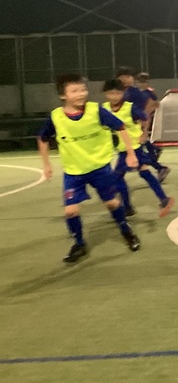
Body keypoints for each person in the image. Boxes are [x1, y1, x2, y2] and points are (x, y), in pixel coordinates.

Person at [37, 73, 142, 263]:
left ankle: (126, 230)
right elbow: (42, 138)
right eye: (74, 91)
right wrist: (46, 164)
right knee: (70, 211)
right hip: (73, 172)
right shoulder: (56, 116)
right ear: (63, 95)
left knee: (111, 204)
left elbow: (121, 127)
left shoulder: (96, 110)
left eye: (83, 90)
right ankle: (79, 244)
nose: (81, 94)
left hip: (99, 168)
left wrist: (131, 154)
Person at [102, 79, 175, 219]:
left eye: (118, 93)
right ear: (105, 94)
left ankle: (128, 207)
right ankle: (163, 199)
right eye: (111, 93)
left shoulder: (130, 108)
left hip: (133, 147)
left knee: (117, 177)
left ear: (123, 93)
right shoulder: (104, 108)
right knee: (144, 172)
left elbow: (144, 118)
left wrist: (143, 133)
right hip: (122, 148)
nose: (114, 96)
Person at [117, 66, 170, 183]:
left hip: (135, 127)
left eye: (128, 77)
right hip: (126, 127)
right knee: (133, 153)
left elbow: (145, 110)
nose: (126, 79)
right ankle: (159, 164)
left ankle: (159, 166)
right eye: (123, 77)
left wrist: (144, 128)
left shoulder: (135, 93)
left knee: (133, 153)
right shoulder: (121, 92)